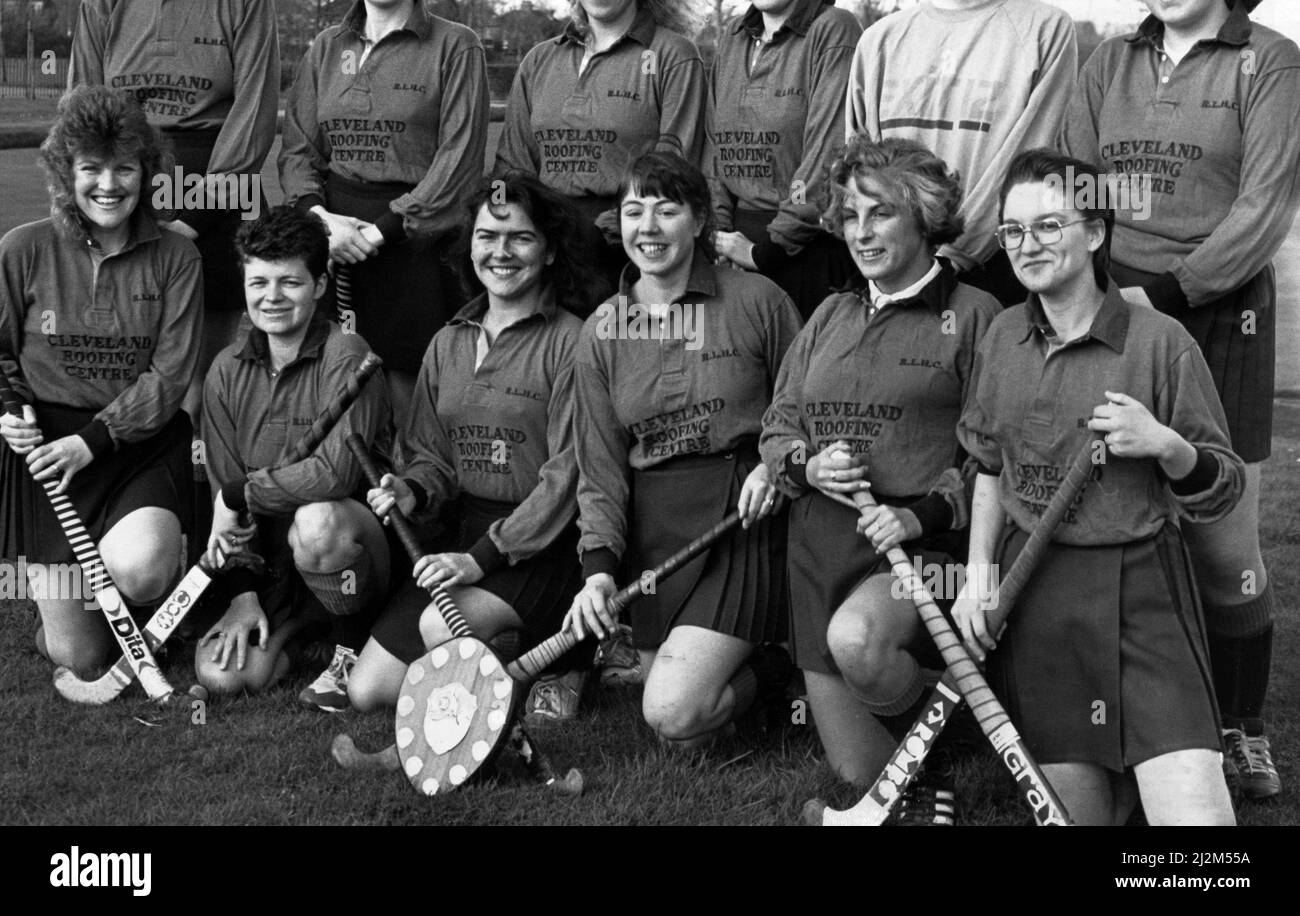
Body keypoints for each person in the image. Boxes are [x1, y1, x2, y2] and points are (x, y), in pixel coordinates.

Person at [1059, 0, 1298, 802]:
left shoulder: (1271, 63)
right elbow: (1078, 183)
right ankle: (1129, 715)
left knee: (1222, 539)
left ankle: (1241, 728)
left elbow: (1261, 211)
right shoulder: (1107, 61)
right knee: (1115, 514)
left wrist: (1163, 291)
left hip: (1216, 317)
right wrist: (1101, 293)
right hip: (1116, 311)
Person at [953, 148, 1244, 826]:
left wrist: (1166, 445)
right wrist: (977, 574)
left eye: (1050, 225)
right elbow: (989, 465)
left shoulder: (1160, 341)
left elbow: (1222, 485)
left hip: (1145, 592)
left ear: (1095, 232)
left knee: (1202, 841)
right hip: (1041, 594)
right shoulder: (1001, 335)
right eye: (1014, 231)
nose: (1029, 245)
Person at [759, 136, 998, 822]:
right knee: (859, 770)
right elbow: (778, 428)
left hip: (920, 547)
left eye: (881, 213)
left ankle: (947, 754)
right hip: (819, 547)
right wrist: (806, 464)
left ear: (923, 217)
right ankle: (945, 741)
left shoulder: (977, 316)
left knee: (859, 641)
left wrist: (923, 514)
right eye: (851, 216)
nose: (861, 232)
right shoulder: (830, 314)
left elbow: (991, 458)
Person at [565, 152, 803, 749]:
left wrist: (779, 465)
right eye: (633, 211)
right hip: (658, 530)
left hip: (743, 513)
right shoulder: (599, 332)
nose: (648, 228)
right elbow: (599, 471)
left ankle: (782, 665)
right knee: (683, 731)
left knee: (673, 712)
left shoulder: (758, 301)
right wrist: (597, 576)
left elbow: (804, 408)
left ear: (699, 221)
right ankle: (771, 673)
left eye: (667, 210)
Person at [348, 174, 600, 717]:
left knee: (442, 627)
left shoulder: (575, 341)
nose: (500, 252)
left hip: (544, 547)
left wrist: (479, 559)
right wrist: (410, 490)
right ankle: (517, 656)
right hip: (464, 540)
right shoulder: (448, 341)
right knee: (368, 691)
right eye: (487, 236)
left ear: (551, 251)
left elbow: (567, 478)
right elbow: (431, 457)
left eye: (520, 238)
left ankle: (568, 652)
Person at [69, 0, 280, 403]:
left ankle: (208, 487)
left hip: (218, 192)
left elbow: (254, 117)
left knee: (208, 378)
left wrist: (192, 216)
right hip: (127, 191)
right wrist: (119, 212)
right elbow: (82, 123)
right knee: (128, 362)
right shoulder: (103, 3)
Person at [0, 85, 201, 675]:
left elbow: (170, 377)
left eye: (124, 168)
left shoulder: (176, 256)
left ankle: (143, 585)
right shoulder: (22, 248)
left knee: (142, 570)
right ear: (67, 171)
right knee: (79, 656)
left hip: (135, 445)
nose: (108, 185)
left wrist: (94, 440)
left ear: (146, 172)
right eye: (91, 168)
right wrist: (7, 414)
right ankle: (70, 613)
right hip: (48, 456)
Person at [280, 0, 490, 428]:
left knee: (411, 406)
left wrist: (380, 232)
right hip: (332, 240)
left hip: (415, 247)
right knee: (333, 402)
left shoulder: (455, 45)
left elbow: (460, 160)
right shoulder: (326, 47)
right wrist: (322, 221)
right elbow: (300, 147)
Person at [845, 0, 1077, 306]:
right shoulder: (879, 41)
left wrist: (950, 257)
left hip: (993, 271)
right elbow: (860, 169)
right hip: (893, 272)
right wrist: (896, 257)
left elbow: (1025, 163)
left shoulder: (1045, 30)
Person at [195, 207, 394, 709]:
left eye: (291, 282)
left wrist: (240, 493)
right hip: (274, 559)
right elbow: (225, 493)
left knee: (317, 521)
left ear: (321, 284)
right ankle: (301, 630)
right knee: (224, 676)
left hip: (353, 544)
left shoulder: (347, 354)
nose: (272, 297)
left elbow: (335, 474)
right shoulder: (225, 369)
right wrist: (242, 593)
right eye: (258, 281)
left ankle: (351, 644)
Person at [494, 0, 707, 284]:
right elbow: (512, 168)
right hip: (546, 255)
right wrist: (532, 234)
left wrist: (602, 232)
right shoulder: (539, 61)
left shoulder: (675, 57)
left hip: (633, 257)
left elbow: (676, 170)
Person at [707, 0, 862, 320]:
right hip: (733, 247)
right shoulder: (733, 40)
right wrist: (718, 234)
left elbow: (829, 151)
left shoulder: (834, 30)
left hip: (803, 249)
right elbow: (714, 150)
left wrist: (770, 249)